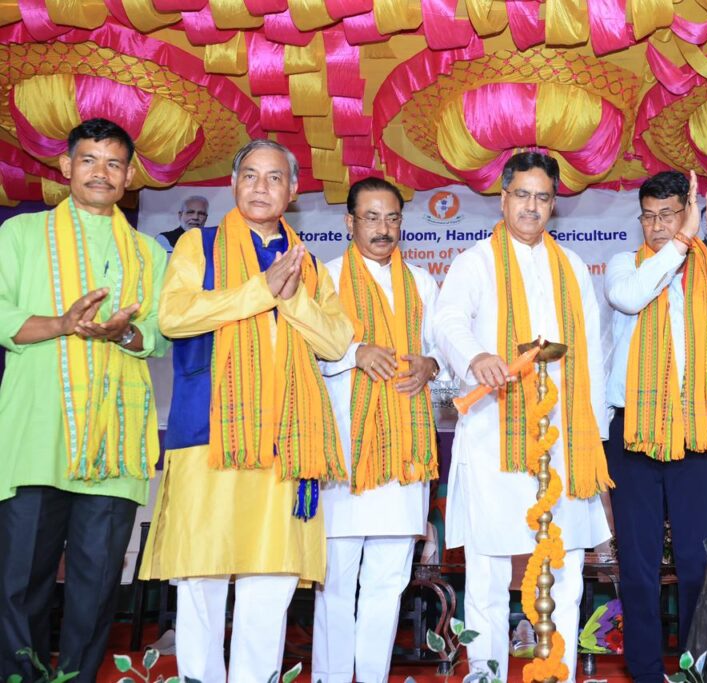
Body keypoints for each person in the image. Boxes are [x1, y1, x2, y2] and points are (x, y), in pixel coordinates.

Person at [139, 139, 353, 682]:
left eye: (274, 177)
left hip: (287, 440)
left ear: (293, 190)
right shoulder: (200, 245)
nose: (261, 187)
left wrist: (292, 296)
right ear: (234, 184)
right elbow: (174, 316)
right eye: (250, 175)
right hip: (209, 432)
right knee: (201, 574)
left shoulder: (309, 265)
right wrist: (261, 290)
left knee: (272, 577)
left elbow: (336, 340)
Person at [0, 118, 169, 680]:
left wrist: (124, 333)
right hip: (36, 437)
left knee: (96, 589)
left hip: (114, 449)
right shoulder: (21, 234)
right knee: (20, 583)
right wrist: (62, 324)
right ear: (66, 166)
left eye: (114, 163)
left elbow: (161, 334)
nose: (102, 172)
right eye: (90, 160)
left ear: (129, 176)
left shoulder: (149, 253)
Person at [433, 152, 612, 682]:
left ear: (554, 205)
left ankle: (557, 672)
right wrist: (476, 357)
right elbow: (447, 320)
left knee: (567, 568)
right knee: (488, 570)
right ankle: (485, 673)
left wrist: (593, 441)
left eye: (543, 197)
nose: (532, 206)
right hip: (495, 437)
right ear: (503, 197)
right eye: (522, 195)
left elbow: (592, 356)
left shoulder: (572, 267)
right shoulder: (475, 262)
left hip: (564, 442)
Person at [604, 167, 707, 682]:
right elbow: (631, 297)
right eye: (648, 216)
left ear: (688, 213)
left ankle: (697, 670)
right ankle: (646, 672)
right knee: (638, 565)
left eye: (668, 215)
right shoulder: (626, 266)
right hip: (635, 432)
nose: (656, 226)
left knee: (697, 563)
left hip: (698, 429)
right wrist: (681, 241)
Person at [312, 177, 444, 683]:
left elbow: (443, 352)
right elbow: (304, 355)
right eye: (371, 217)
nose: (383, 228)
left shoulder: (422, 283)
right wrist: (354, 353)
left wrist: (431, 364)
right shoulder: (325, 279)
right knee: (336, 583)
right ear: (349, 222)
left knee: (388, 584)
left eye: (392, 218)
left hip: (404, 457)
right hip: (343, 455)